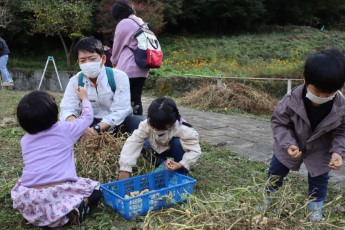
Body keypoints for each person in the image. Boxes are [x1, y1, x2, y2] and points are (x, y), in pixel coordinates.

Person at [265, 48, 345, 222]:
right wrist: (288, 144)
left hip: (320, 148)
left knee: (320, 179)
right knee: (276, 172)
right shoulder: (290, 100)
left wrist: (338, 152)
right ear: (304, 77)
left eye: (328, 95)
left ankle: (314, 208)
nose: (321, 98)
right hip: (289, 145)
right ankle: (267, 198)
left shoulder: (341, 107)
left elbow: (342, 131)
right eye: (317, 93)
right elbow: (279, 123)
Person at [11, 90, 101, 227]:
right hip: (59, 191)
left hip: (28, 194)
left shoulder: (25, 140)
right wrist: (84, 98)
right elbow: (87, 117)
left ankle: (36, 214)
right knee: (96, 189)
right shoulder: (66, 130)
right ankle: (77, 208)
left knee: (34, 197)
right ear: (55, 114)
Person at [60, 36, 143, 138]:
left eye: (92, 59)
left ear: (103, 59)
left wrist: (97, 128)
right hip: (89, 123)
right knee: (63, 129)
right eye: (83, 60)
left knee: (142, 124)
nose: (87, 63)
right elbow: (67, 108)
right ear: (78, 62)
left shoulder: (119, 77)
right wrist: (77, 125)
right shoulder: (75, 81)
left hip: (118, 123)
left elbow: (120, 111)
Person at [118, 97, 202, 180]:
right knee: (143, 145)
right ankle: (162, 164)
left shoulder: (183, 129)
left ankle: (180, 173)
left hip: (174, 151)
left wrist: (181, 164)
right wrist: (125, 168)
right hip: (157, 148)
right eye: (152, 125)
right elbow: (134, 142)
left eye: (159, 128)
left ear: (170, 124)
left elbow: (194, 150)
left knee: (177, 143)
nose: (154, 129)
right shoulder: (146, 124)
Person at [111, 0, 150, 115]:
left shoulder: (125, 23)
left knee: (124, 100)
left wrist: (113, 61)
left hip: (128, 68)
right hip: (142, 67)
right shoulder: (141, 22)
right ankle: (138, 124)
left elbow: (117, 46)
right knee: (136, 98)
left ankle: (128, 126)